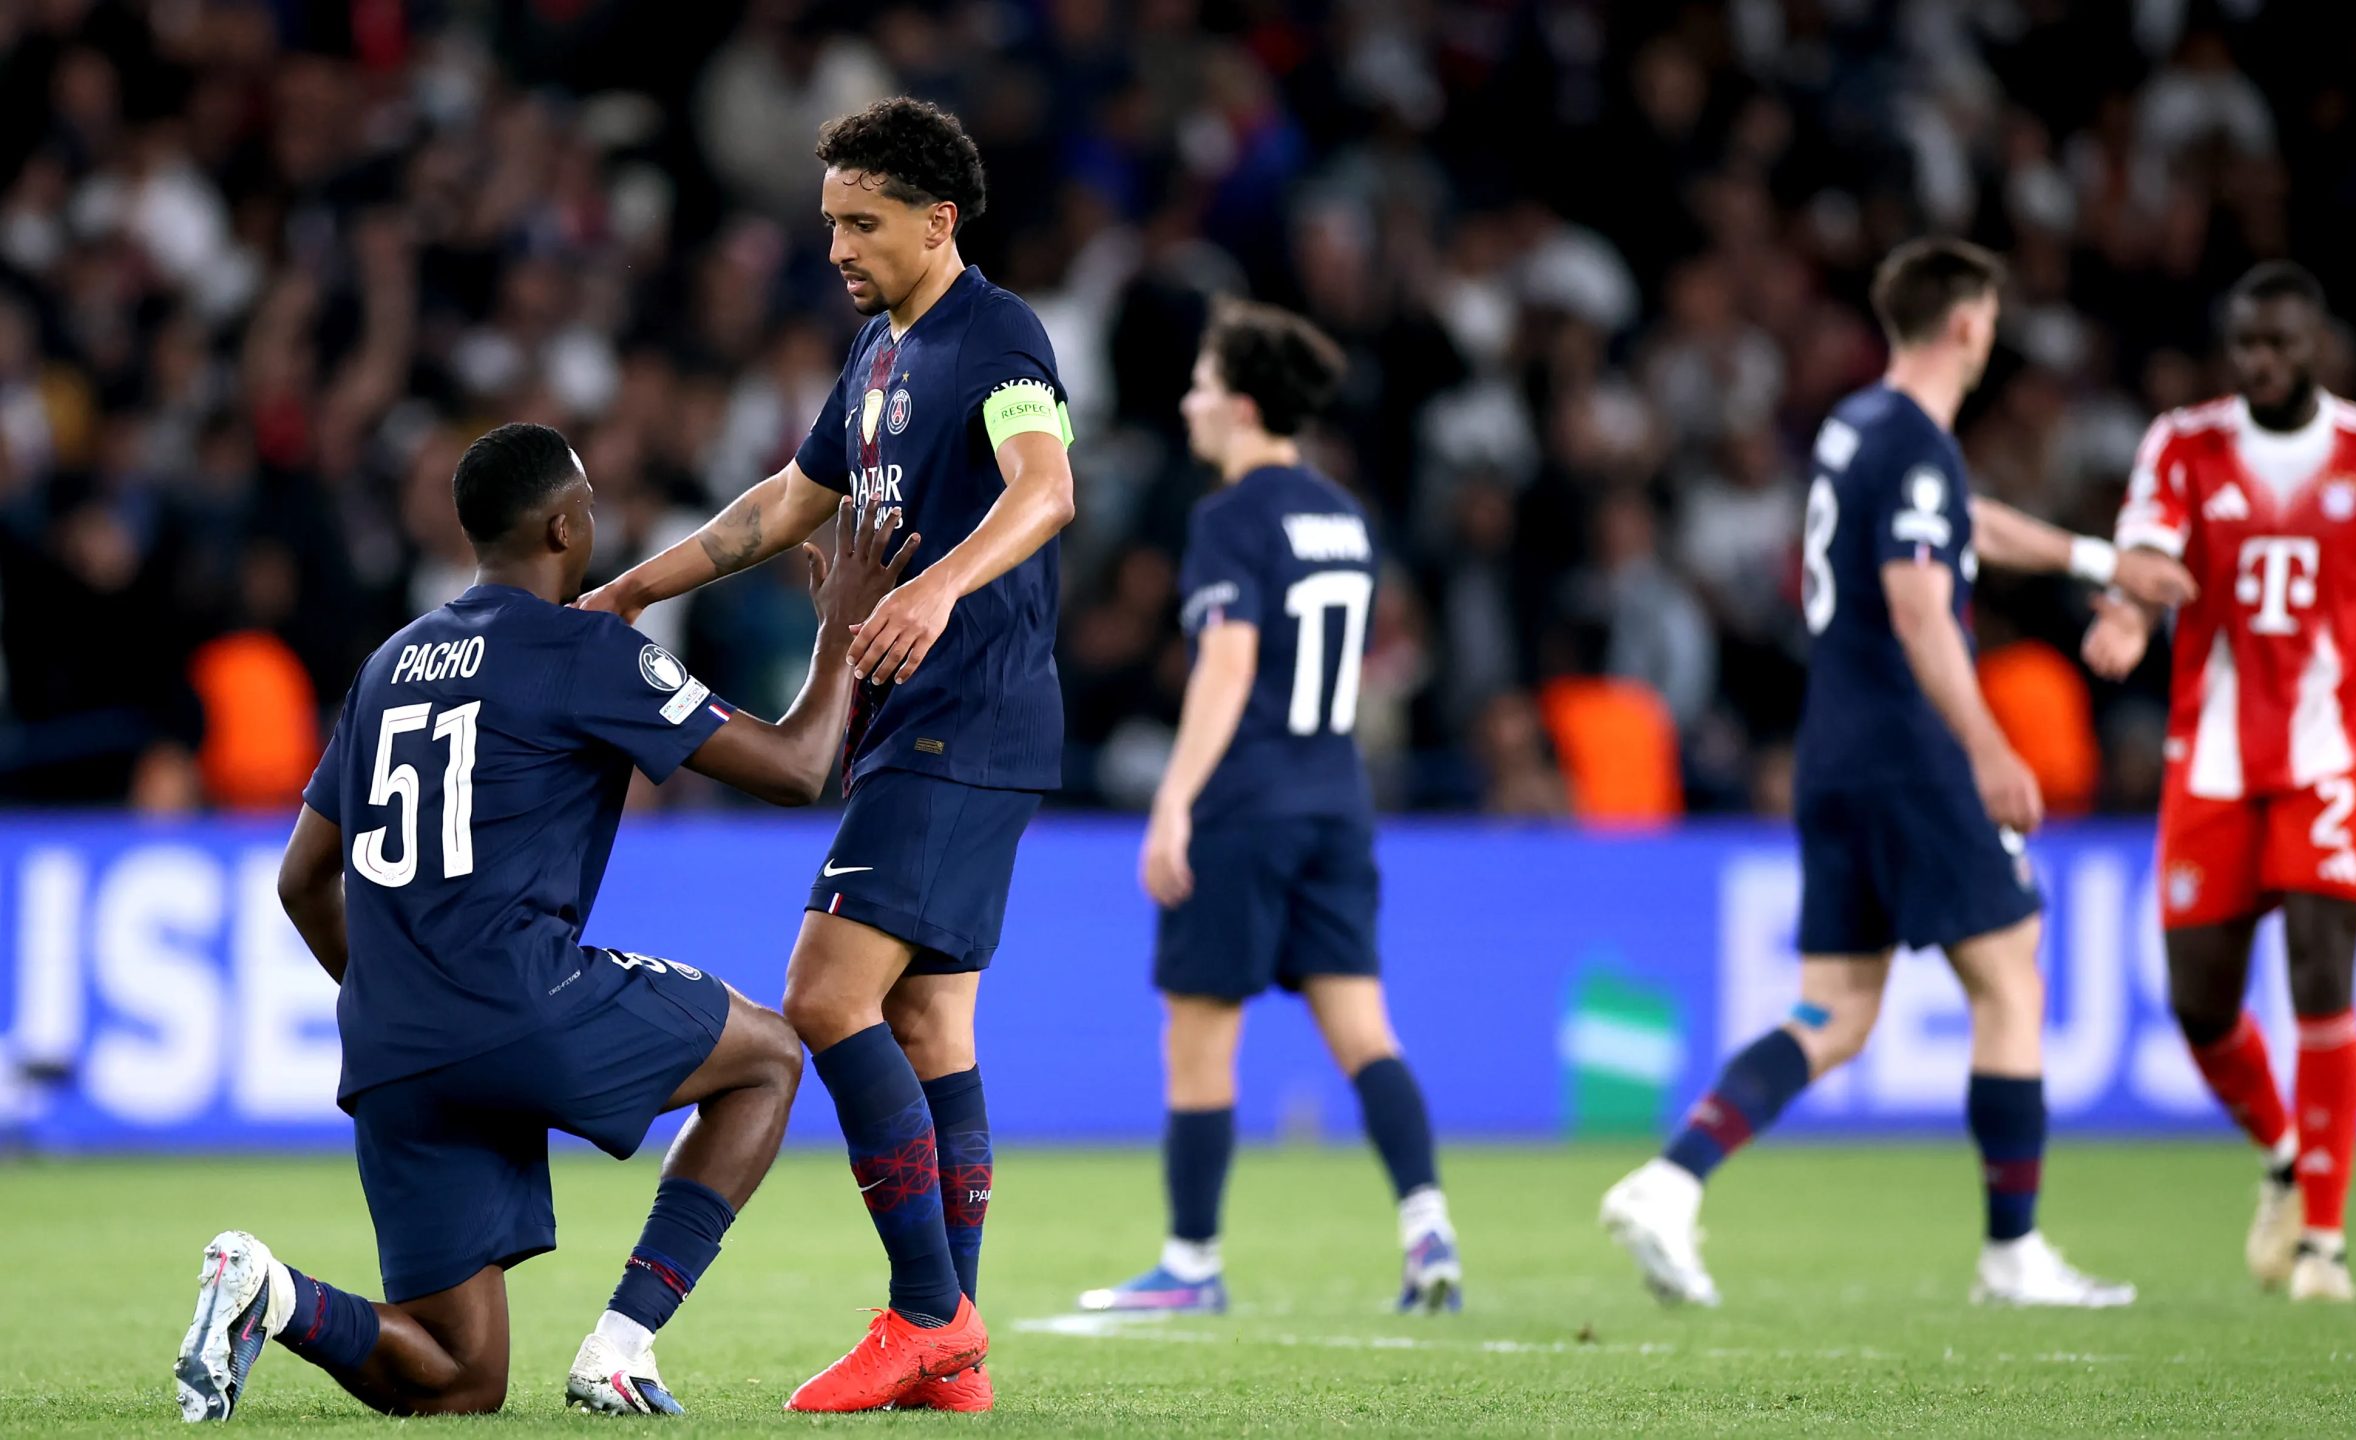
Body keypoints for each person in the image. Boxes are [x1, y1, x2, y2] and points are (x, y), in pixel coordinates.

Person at [172, 422, 918, 1421]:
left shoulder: (389, 663)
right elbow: (794, 769)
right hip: (517, 997)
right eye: (590, 508)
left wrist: (408, 997)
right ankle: (622, 1343)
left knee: (458, 1377)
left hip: (394, 1045)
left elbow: (303, 879)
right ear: (565, 528)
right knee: (769, 1059)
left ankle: (268, 1292)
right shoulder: (586, 650)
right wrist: (841, 636)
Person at [578, 97, 1076, 1413]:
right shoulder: (875, 352)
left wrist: (937, 587)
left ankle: (925, 1312)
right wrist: (633, 589)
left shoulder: (998, 337)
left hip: (966, 713)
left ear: (937, 220)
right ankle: (952, 1359)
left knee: (821, 992)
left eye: (863, 223)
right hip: (920, 724)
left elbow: (1046, 487)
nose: (840, 247)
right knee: (926, 1021)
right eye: (830, 224)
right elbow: (784, 506)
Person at [1598, 237, 2196, 1309]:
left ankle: (1669, 1183)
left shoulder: (1857, 427)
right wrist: (1988, 746)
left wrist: (2098, 560)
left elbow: (1963, 526)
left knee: (1836, 1011)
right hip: (1909, 750)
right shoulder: (1917, 444)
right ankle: (2013, 1253)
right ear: (1966, 323)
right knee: (2009, 976)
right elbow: (1921, 606)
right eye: (1991, 321)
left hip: (1831, 748)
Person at [2082, 261, 2356, 1302]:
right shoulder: (2182, 445)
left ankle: (2324, 1242)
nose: (2262, 362)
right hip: (2213, 758)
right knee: (2199, 1003)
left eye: (2280, 344)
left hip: (2330, 756)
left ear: (2318, 347)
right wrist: (2127, 616)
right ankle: (2282, 1155)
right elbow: (2144, 559)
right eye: (2247, 346)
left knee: (2321, 972)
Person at [1078, 301, 1463, 1317]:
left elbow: (1229, 661)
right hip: (1338, 797)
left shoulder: (1229, 518)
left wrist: (1174, 798)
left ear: (1243, 406)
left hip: (1247, 801)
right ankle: (1427, 1226)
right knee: (1364, 1029)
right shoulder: (1347, 516)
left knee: (1199, 1033)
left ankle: (1190, 1263)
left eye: (1202, 385)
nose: (1188, 403)